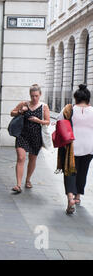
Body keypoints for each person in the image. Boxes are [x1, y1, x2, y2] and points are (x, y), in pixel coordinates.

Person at [57, 84, 93, 214]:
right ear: (88, 98)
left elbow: (59, 122)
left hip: (72, 147)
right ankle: (78, 197)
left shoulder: (69, 109)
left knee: (70, 173)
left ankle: (70, 198)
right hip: (89, 147)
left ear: (76, 98)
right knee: (83, 171)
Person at [10, 84, 50, 193]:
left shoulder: (44, 106)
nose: (34, 98)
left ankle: (28, 180)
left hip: (36, 136)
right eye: (32, 96)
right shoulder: (24, 104)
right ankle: (18, 185)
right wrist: (20, 111)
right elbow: (11, 113)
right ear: (30, 95)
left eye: (36, 96)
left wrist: (38, 121)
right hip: (22, 135)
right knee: (21, 158)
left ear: (40, 95)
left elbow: (47, 121)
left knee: (32, 159)